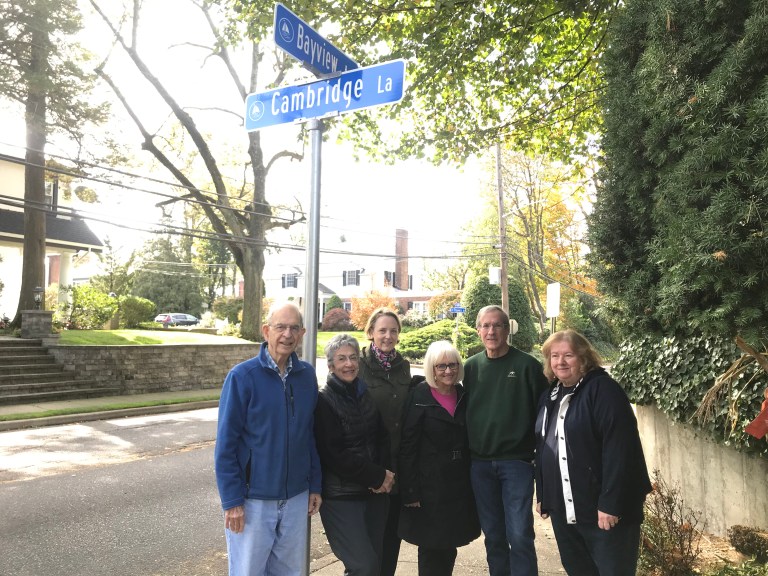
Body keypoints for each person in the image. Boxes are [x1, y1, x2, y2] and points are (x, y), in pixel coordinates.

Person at [214, 301, 322, 576]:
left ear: (302, 334)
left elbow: (309, 435)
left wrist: (315, 485)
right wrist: (232, 501)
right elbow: (226, 445)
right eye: (280, 327)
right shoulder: (242, 377)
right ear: (266, 331)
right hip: (253, 501)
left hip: (296, 497)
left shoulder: (307, 375)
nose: (287, 334)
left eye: (294, 328)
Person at [534, 329, 652, 576]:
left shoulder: (603, 390)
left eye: (569, 355)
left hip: (603, 510)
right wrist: (544, 492)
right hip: (566, 509)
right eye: (555, 356)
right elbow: (545, 444)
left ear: (584, 358)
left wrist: (611, 504)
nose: (560, 362)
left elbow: (621, 450)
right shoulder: (551, 395)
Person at [462, 304, 549, 576]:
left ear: (507, 329)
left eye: (497, 325)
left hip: (517, 463)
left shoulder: (527, 366)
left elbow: (545, 416)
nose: (491, 331)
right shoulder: (471, 368)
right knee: (493, 535)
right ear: (478, 331)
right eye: (485, 326)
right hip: (480, 465)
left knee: (520, 533)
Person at [314, 333, 395, 576]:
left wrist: (382, 478)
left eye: (352, 358)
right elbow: (333, 453)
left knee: (376, 564)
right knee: (363, 566)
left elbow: (381, 437)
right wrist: (375, 476)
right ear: (330, 365)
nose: (348, 364)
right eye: (341, 359)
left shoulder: (364, 393)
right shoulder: (323, 400)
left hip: (375, 495)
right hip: (342, 497)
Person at [398, 340, 481, 576]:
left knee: (449, 546)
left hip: (457, 486)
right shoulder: (419, 396)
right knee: (431, 548)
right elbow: (408, 447)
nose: (448, 371)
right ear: (431, 368)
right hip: (428, 486)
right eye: (441, 366)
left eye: (452, 365)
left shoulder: (464, 395)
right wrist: (410, 491)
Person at [358, 307, 413, 576]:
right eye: (382, 330)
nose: (388, 336)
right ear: (370, 333)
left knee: (392, 539)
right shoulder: (357, 366)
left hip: (397, 471)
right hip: (368, 469)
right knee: (365, 547)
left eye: (393, 331)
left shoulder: (404, 369)